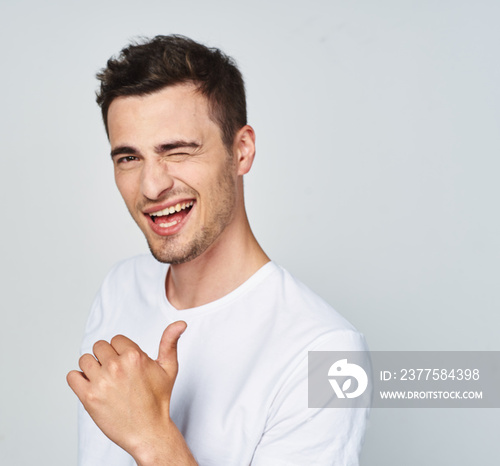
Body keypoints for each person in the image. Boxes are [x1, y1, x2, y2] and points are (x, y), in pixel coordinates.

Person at [67, 35, 368, 465]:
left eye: (178, 150)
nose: (152, 186)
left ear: (241, 150)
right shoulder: (120, 286)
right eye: (129, 158)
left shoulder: (329, 354)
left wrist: (153, 439)